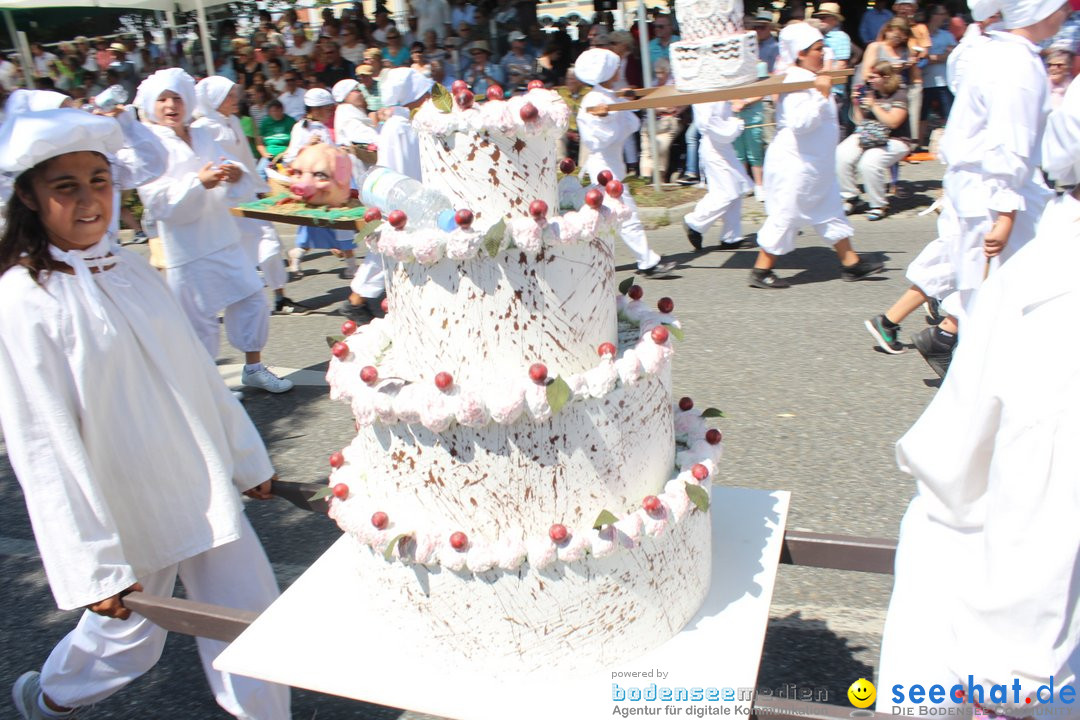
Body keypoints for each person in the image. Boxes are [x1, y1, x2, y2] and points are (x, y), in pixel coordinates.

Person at [0, 108, 290, 720]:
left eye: (98, 181)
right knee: (130, 642)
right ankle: (49, 698)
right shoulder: (23, 300)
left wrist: (245, 461)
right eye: (65, 186)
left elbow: (196, 376)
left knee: (252, 619)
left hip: (200, 480)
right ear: (28, 196)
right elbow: (42, 443)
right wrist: (93, 565)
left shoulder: (132, 270)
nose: (89, 201)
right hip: (126, 504)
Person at [874, 78, 1080, 720]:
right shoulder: (1048, 292)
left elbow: (957, 470)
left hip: (1013, 615)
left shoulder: (1042, 283)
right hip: (1021, 634)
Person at [906, 0, 1065, 376]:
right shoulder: (1017, 65)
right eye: (1060, 6)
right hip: (997, 194)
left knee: (992, 293)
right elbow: (1009, 142)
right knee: (1007, 295)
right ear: (1036, 11)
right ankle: (979, 380)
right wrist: (1006, 212)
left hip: (985, 190)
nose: (1066, 13)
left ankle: (950, 343)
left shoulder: (996, 51)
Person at [135, 68, 294, 394]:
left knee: (252, 298)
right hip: (187, 249)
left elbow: (229, 165)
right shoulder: (148, 145)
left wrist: (234, 174)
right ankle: (211, 390)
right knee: (200, 322)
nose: (170, 105)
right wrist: (198, 183)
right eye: (162, 99)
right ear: (152, 105)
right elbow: (156, 200)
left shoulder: (203, 135)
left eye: (176, 98)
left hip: (223, 236)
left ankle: (253, 367)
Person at [750, 24, 883, 289]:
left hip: (816, 163)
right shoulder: (796, 80)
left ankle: (851, 263)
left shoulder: (811, 77)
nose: (824, 54)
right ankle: (761, 270)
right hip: (796, 164)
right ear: (801, 53)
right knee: (786, 215)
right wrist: (822, 94)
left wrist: (822, 86)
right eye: (818, 49)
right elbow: (801, 123)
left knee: (830, 211)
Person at [193, 76, 302, 316]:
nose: (235, 99)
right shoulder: (201, 128)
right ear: (215, 99)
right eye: (228, 95)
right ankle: (240, 303)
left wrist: (259, 184)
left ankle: (280, 296)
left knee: (270, 240)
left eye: (234, 94)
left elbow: (245, 160)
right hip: (223, 203)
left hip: (247, 195)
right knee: (235, 254)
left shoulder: (232, 121)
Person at [338, 67, 433, 325]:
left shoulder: (404, 123)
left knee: (393, 250)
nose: (429, 97)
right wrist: (411, 198)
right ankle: (357, 300)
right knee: (389, 249)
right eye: (424, 93)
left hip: (406, 194)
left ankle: (363, 299)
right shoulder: (400, 127)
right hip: (401, 195)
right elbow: (404, 167)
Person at [576, 47, 676, 276]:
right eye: (615, 67)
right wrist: (608, 115)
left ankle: (587, 261)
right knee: (626, 213)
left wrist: (626, 101)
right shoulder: (594, 100)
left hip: (613, 165)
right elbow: (597, 139)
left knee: (603, 218)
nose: (619, 69)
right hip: (604, 168)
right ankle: (647, 261)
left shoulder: (610, 95)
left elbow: (631, 124)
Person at [836, 61, 912, 221]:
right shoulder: (871, 92)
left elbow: (893, 122)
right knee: (841, 153)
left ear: (885, 77)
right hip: (868, 134)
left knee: (869, 161)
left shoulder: (900, 94)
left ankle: (878, 204)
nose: (868, 80)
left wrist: (874, 106)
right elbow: (859, 121)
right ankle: (850, 197)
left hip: (895, 138)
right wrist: (856, 104)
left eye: (873, 77)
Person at [682, 99, 754, 251]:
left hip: (722, 147)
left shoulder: (717, 90)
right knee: (727, 193)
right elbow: (709, 124)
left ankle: (731, 236)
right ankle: (695, 222)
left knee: (737, 188)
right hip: (714, 147)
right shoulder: (705, 95)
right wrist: (734, 125)